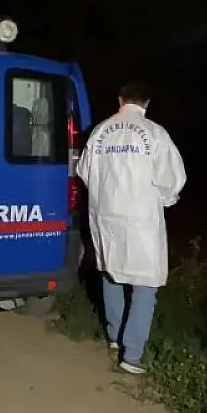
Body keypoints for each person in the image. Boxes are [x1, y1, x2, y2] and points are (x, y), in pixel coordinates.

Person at [76, 81, 186, 374]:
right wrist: (166, 199)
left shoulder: (100, 132)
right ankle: (132, 355)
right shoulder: (155, 133)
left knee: (111, 273)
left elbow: (84, 171)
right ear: (146, 103)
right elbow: (173, 179)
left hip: (105, 215)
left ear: (120, 100)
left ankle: (115, 337)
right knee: (145, 283)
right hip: (140, 220)